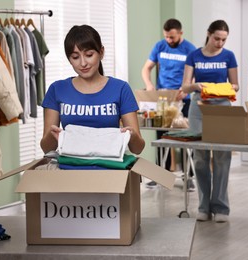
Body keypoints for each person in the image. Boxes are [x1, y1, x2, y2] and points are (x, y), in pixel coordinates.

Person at [40, 25, 145, 156]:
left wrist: (132, 135)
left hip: (110, 170)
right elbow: (46, 148)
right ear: (69, 59)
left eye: (89, 55)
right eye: (75, 57)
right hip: (70, 170)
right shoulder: (57, 89)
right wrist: (53, 135)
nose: (83, 63)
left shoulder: (121, 89)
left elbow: (138, 148)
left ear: (101, 53)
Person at [181, 20, 239, 223]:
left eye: (224, 39)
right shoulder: (194, 55)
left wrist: (225, 88)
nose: (220, 43)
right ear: (208, 34)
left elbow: (236, 85)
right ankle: (203, 206)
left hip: (222, 106)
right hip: (199, 107)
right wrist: (197, 85)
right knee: (200, 156)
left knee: (222, 156)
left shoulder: (229, 56)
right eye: (217, 38)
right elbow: (185, 87)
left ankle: (221, 207)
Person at [141, 18, 196, 187]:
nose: (169, 40)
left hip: (182, 100)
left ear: (180, 33)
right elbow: (146, 68)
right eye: (166, 37)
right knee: (161, 138)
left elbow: (195, 75)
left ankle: (189, 178)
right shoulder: (159, 46)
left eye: (172, 37)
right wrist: (149, 85)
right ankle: (160, 176)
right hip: (162, 99)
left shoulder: (190, 50)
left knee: (186, 138)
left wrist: (185, 90)